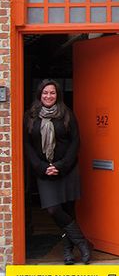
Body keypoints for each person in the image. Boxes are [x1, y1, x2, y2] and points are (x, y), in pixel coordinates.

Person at [23, 79, 92, 265]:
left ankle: (68, 251)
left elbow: (75, 142)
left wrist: (61, 165)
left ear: (57, 95)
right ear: (40, 95)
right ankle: (83, 243)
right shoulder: (30, 116)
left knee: (69, 209)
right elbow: (27, 145)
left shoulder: (67, 114)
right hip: (43, 171)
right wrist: (42, 167)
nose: (48, 96)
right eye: (45, 93)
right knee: (53, 209)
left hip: (67, 169)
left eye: (52, 93)